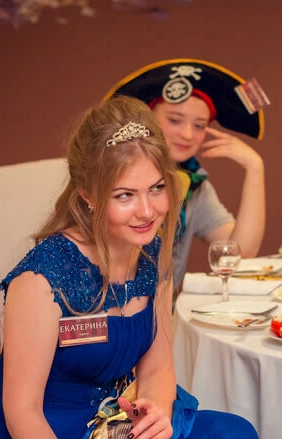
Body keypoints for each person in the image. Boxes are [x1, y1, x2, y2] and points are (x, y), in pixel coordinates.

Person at [0, 96, 282, 439]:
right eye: (125, 195)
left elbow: (157, 365)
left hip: (116, 425)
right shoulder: (41, 279)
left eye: (157, 188)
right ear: (88, 194)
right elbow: (21, 412)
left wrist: (157, 408)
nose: (147, 210)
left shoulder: (152, 254)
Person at [107, 59, 269, 291]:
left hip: (165, 308)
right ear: (147, 118)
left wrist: (255, 168)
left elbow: (240, 253)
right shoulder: (115, 177)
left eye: (199, 125)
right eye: (174, 120)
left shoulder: (194, 185)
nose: (187, 134)